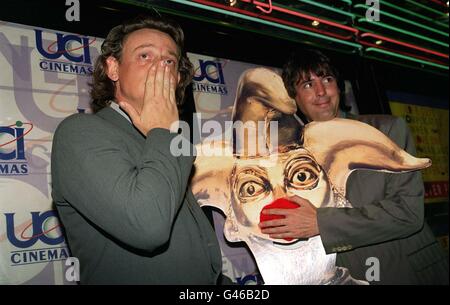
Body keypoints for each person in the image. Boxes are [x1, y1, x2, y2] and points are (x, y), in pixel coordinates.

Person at [51, 15, 225, 284]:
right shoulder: (80, 132)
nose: (160, 69)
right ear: (113, 69)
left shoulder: (167, 142)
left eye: (169, 61)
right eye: (145, 56)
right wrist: (163, 132)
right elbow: (148, 227)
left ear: (178, 78)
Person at [258, 49, 449, 284]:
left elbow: (409, 213)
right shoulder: (292, 161)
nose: (321, 92)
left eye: (327, 80)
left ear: (339, 87)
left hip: (408, 272)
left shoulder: (385, 130)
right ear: (294, 99)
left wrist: (320, 223)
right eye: (308, 84)